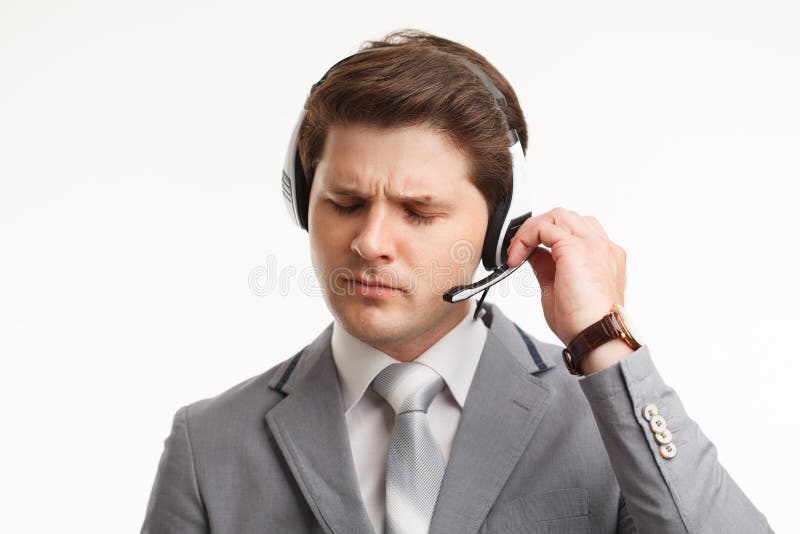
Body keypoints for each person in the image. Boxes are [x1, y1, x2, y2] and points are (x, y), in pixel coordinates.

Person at [141, 29, 773, 533]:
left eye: (418, 212)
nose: (369, 242)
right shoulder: (209, 446)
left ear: (498, 228)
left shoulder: (606, 422)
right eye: (345, 203)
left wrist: (603, 340)